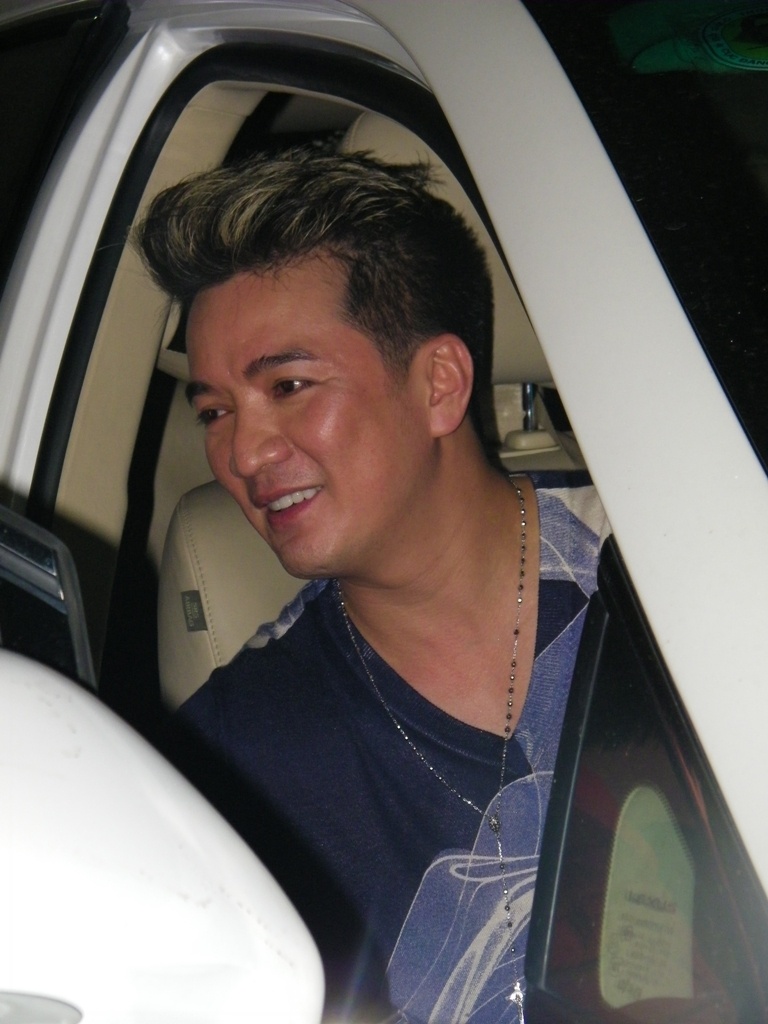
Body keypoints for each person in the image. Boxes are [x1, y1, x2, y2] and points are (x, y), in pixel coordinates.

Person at [136, 148, 608, 1024]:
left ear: (439, 385)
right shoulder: (232, 763)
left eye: (288, 385)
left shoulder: (659, 577)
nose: (242, 453)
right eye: (215, 411)